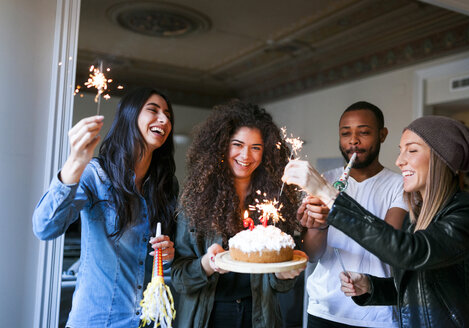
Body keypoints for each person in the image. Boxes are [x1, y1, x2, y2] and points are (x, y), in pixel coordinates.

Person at [283, 115, 469, 327]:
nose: (399, 160)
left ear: (440, 158)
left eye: (411, 150)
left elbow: (409, 252)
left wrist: (329, 195)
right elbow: (420, 289)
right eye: (401, 150)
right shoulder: (417, 217)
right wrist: (372, 287)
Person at [32, 87, 178, 328]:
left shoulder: (164, 184)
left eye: (168, 116)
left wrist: (167, 254)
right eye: (153, 110)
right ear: (130, 117)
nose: (164, 119)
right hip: (97, 321)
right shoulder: (96, 175)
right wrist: (76, 162)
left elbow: (153, 261)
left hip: (146, 322)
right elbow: (45, 228)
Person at [171, 100, 306, 328]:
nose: (246, 155)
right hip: (208, 316)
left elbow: (279, 284)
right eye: (237, 144)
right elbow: (179, 279)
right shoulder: (195, 200)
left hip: (258, 315)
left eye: (256, 147)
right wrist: (207, 263)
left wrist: (284, 276)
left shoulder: (274, 202)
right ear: (222, 146)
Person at [297, 101, 407, 328]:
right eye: (345, 133)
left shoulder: (400, 185)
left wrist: (335, 203)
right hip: (325, 309)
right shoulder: (323, 180)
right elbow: (312, 255)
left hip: (377, 313)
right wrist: (318, 227)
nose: (353, 140)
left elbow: (389, 248)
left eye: (364, 132)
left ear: (382, 134)